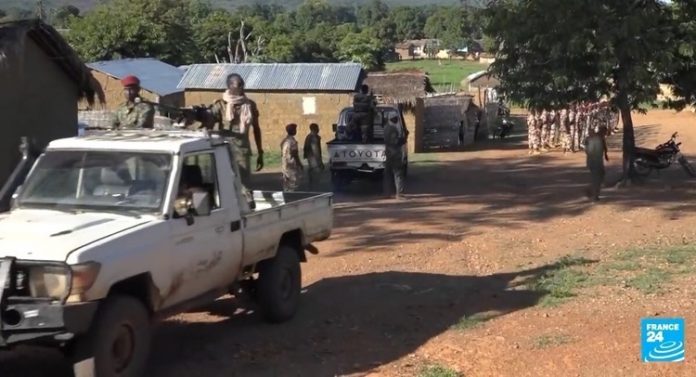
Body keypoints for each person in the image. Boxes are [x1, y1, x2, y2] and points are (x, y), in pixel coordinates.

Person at [210, 73, 264, 207]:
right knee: (223, 180)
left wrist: (260, 152)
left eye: (242, 84)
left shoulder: (250, 105)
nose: (241, 88)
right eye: (237, 85)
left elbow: (256, 128)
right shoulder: (220, 105)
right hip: (223, 148)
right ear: (229, 86)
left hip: (242, 149)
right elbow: (209, 122)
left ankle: (249, 206)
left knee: (245, 183)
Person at [383, 114, 406, 199]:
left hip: (388, 153)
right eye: (395, 118)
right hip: (395, 153)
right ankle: (399, 194)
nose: (396, 120)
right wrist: (403, 140)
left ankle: (387, 193)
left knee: (387, 174)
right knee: (398, 174)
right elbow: (395, 142)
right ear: (392, 119)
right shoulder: (393, 129)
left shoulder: (386, 128)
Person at [585, 125, 609, 202]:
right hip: (595, 161)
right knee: (597, 178)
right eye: (605, 132)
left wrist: (605, 154)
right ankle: (594, 195)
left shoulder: (598, 138)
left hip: (595, 161)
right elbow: (590, 151)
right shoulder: (596, 139)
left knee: (600, 176)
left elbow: (604, 147)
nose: (605, 134)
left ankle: (592, 191)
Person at [281, 124, 303, 192]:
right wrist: (299, 164)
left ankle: (287, 197)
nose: (296, 131)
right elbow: (294, 154)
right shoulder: (292, 141)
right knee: (293, 183)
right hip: (291, 164)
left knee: (286, 182)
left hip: (284, 164)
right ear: (292, 130)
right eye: (295, 129)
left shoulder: (284, 140)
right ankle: (292, 198)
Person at [303, 123, 324, 190]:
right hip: (314, 158)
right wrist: (320, 162)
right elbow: (315, 149)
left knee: (311, 174)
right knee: (316, 174)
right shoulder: (313, 137)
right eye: (317, 128)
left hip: (310, 157)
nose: (318, 129)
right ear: (315, 128)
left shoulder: (308, 136)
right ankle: (316, 190)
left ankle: (311, 188)